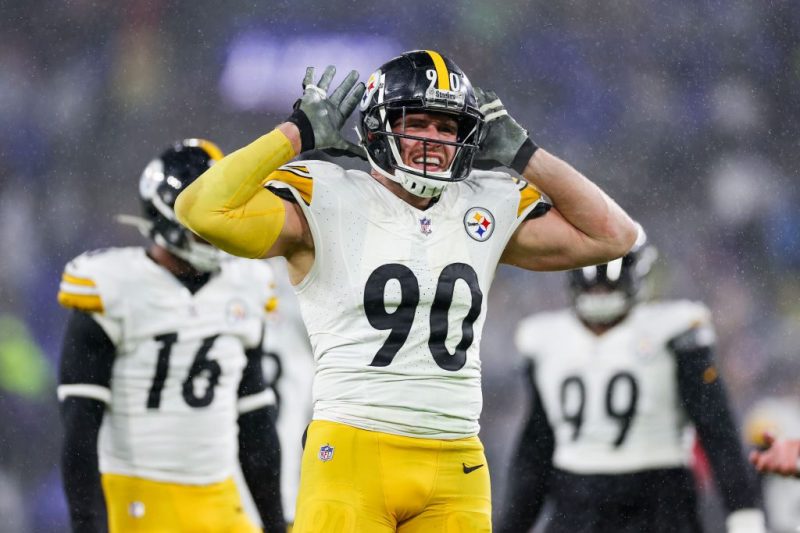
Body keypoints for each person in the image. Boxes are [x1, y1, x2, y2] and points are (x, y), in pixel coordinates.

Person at [175, 50, 638, 532]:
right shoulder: (326, 195)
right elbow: (201, 210)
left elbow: (615, 237)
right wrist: (296, 134)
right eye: (417, 122)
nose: (433, 139)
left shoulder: (486, 201)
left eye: (447, 128)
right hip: (352, 451)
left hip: (456, 462)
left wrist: (527, 155)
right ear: (378, 126)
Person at [57, 139, 285, 533]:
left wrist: (275, 525)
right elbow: (79, 428)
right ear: (169, 214)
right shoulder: (112, 286)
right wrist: (86, 523)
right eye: (205, 208)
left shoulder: (246, 285)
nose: (217, 222)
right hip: (135, 496)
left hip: (219, 499)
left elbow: (256, 426)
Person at [496, 232, 765, 533]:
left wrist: (743, 509)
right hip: (578, 500)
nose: (599, 294)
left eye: (605, 287)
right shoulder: (547, 341)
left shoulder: (673, 330)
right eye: (593, 287)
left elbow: (716, 429)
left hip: (657, 499)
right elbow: (536, 449)